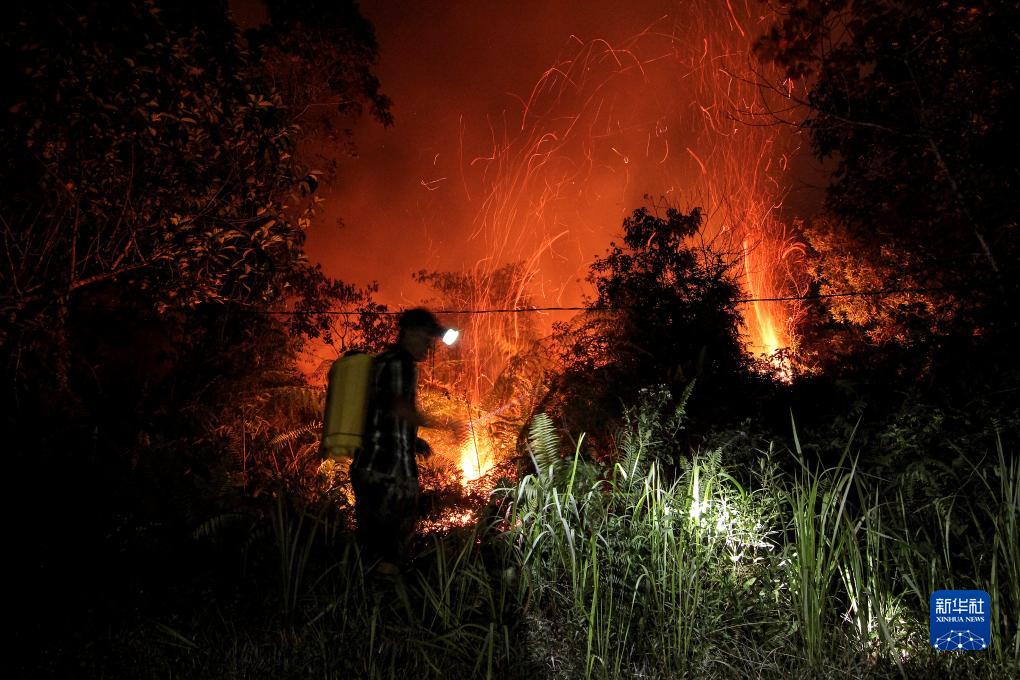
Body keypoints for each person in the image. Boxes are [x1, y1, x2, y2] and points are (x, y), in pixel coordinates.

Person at [350, 308, 458, 575]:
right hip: (387, 472)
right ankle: (385, 594)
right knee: (390, 547)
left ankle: (368, 592)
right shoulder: (400, 363)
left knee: (373, 546)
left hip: (370, 467)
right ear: (409, 333)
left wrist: (414, 442)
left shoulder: (384, 361)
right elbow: (399, 407)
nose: (429, 347)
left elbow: (383, 413)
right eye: (426, 338)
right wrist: (444, 424)